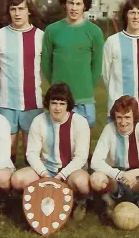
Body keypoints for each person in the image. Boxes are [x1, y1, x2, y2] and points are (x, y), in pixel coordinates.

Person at [10, 83, 91, 221]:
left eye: (61, 103)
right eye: (54, 103)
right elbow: (31, 153)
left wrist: (61, 175)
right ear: (48, 103)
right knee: (17, 180)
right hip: (47, 169)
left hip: (71, 171)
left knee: (81, 183)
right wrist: (44, 174)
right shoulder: (39, 121)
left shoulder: (80, 122)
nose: (57, 108)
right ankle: (39, 197)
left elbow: (81, 157)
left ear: (68, 104)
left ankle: (80, 202)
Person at [90, 95, 139, 222]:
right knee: (96, 178)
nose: (123, 122)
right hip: (115, 177)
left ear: (134, 117)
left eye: (127, 117)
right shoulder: (109, 129)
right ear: (114, 117)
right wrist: (119, 174)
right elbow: (95, 161)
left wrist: (135, 173)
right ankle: (109, 203)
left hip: (136, 179)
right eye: (119, 117)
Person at [0, 0, 44, 165]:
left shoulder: (40, 37)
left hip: (33, 102)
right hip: (8, 102)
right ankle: (7, 187)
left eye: (21, 9)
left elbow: (43, 69)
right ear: (9, 12)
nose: (17, 13)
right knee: (8, 149)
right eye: (13, 9)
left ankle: (30, 185)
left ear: (29, 11)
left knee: (32, 150)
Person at [42, 0, 104, 130]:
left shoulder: (95, 32)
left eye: (78, 4)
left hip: (84, 99)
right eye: (71, 3)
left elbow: (97, 66)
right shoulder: (52, 30)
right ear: (65, 4)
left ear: (84, 6)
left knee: (83, 146)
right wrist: (57, 86)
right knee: (59, 144)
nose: (74, 8)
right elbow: (46, 64)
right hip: (59, 100)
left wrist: (85, 87)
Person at [102, 0, 139, 129]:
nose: (135, 17)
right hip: (118, 109)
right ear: (126, 15)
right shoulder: (112, 42)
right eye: (132, 12)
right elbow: (106, 75)